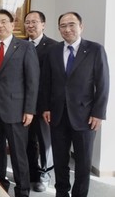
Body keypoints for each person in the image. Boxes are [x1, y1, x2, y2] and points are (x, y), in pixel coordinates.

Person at [40, 12, 109, 197]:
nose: (67, 29)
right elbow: (47, 82)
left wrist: (99, 113)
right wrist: (46, 107)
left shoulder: (95, 50)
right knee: (60, 161)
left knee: (83, 163)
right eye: (63, 26)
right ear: (59, 29)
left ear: (81, 26)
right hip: (58, 115)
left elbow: (103, 83)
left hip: (86, 117)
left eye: (71, 24)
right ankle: (61, 193)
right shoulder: (53, 51)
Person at [0, 9, 40, 197]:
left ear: (12, 24)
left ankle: (22, 190)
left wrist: (29, 110)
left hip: (16, 110)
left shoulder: (24, 47)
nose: (0, 25)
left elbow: (32, 81)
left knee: (18, 154)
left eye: (3, 21)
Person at [24, 10, 57, 192]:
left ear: (43, 24)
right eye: (27, 22)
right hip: (24, 104)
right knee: (27, 141)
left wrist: (50, 105)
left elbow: (55, 79)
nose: (30, 25)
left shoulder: (53, 46)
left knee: (45, 141)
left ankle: (45, 173)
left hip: (44, 104)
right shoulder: (19, 45)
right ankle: (30, 172)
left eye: (34, 22)